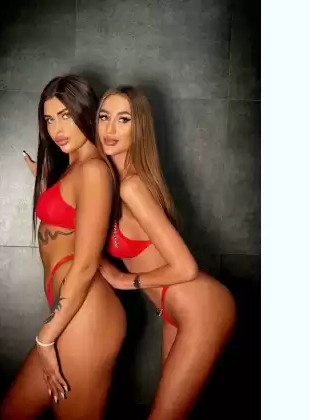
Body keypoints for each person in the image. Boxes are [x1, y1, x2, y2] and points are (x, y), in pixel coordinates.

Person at [96, 85, 236, 420]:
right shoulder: (111, 184)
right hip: (172, 310)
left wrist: (124, 279)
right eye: (104, 117)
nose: (110, 128)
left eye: (124, 119)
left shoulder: (132, 187)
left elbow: (186, 268)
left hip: (202, 308)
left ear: (139, 128)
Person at [0, 75, 126, 420]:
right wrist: (44, 181)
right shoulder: (76, 167)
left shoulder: (94, 170)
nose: (57, 128)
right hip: (72, 307)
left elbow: (84, 265)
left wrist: (46, 336)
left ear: (86, 112)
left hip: (85, 312)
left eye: (66, 116)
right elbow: (67, 214)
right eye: (49, 119)